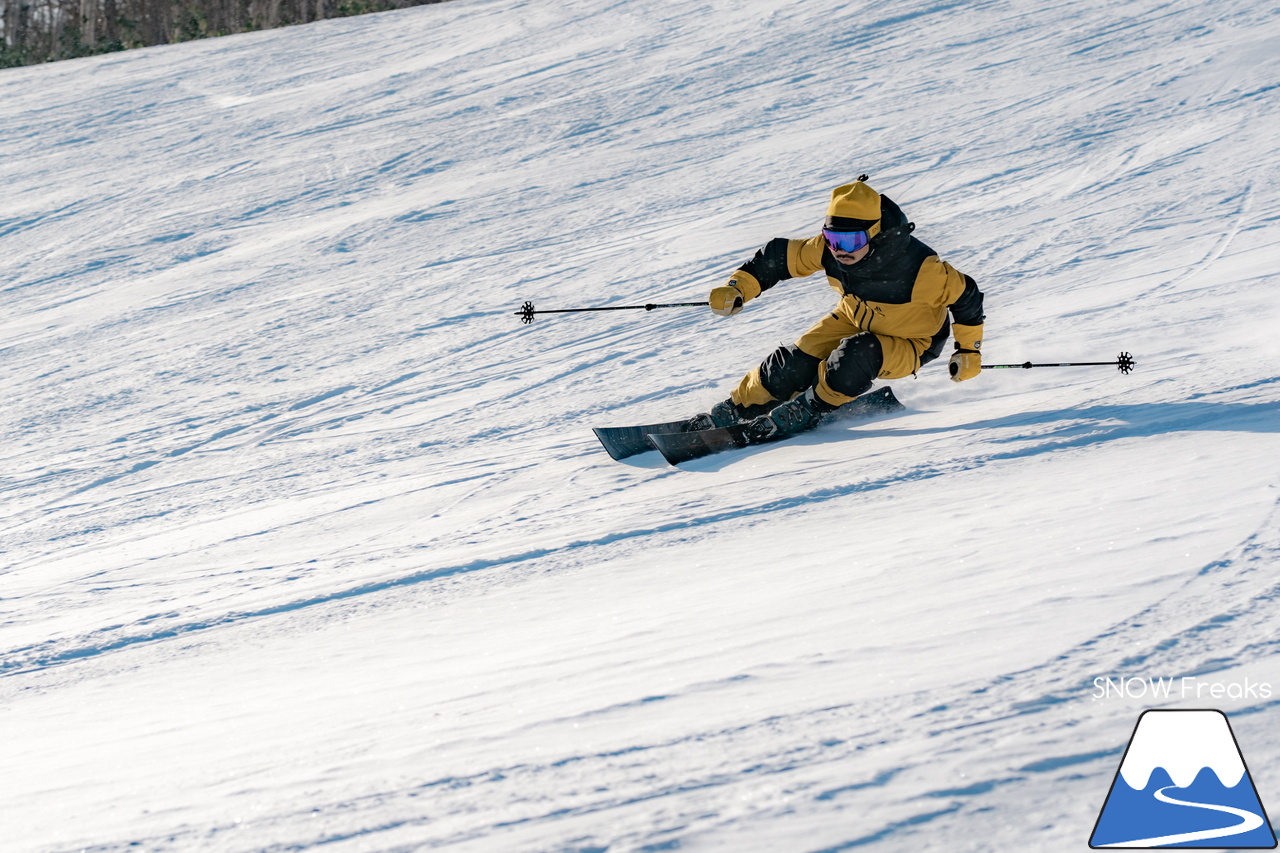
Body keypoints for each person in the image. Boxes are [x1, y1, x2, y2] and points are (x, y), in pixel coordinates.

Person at [691, 176, 985, 439]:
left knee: (857, 354)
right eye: (832, 239)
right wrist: (737, 287)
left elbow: (967, 296)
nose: (840, 250)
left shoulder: (920, 269)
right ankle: (738, 407)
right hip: (854, 316)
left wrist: (968, 351)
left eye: (851, 240)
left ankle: (811, 407)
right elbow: (780, 257)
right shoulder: (828, 250)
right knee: (794, 362)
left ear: (875, 233)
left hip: (912, 340)